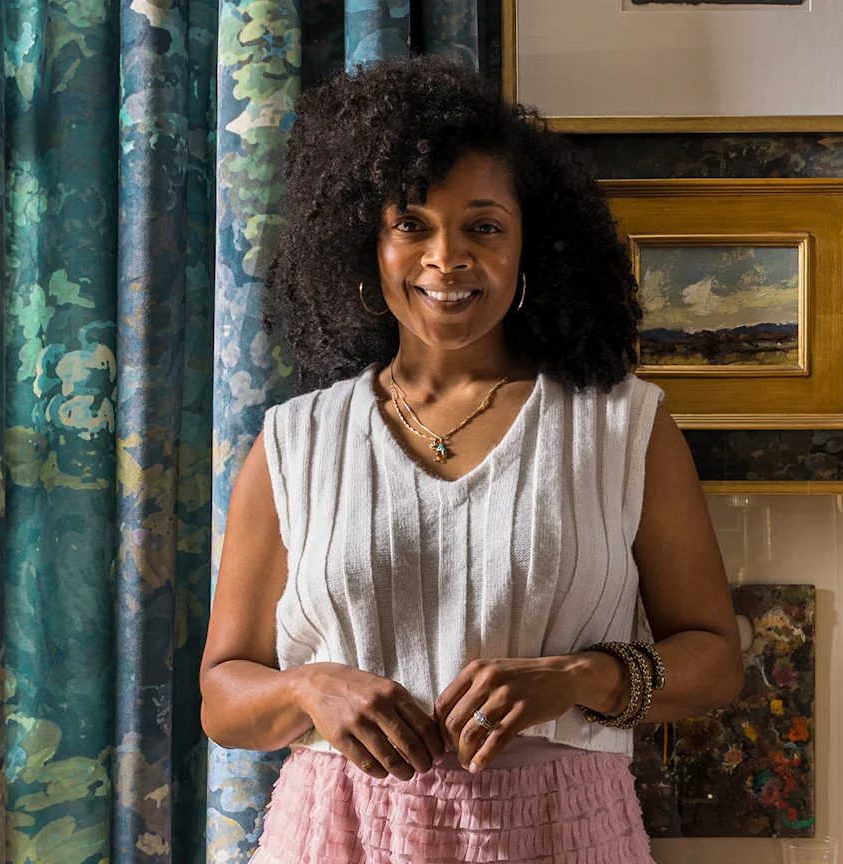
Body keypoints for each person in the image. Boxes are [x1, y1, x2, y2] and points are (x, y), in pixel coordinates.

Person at [199, 54, 745, 864]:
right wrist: (307, 687)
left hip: (564, 833)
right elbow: (221, 696)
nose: (445, 257)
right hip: (336, 835)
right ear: (366, 243)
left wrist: (579, 678)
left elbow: (715, 661)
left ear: (533, 248)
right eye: (411, 224)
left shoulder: (625, 426)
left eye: (483, 226)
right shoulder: (294, 440)